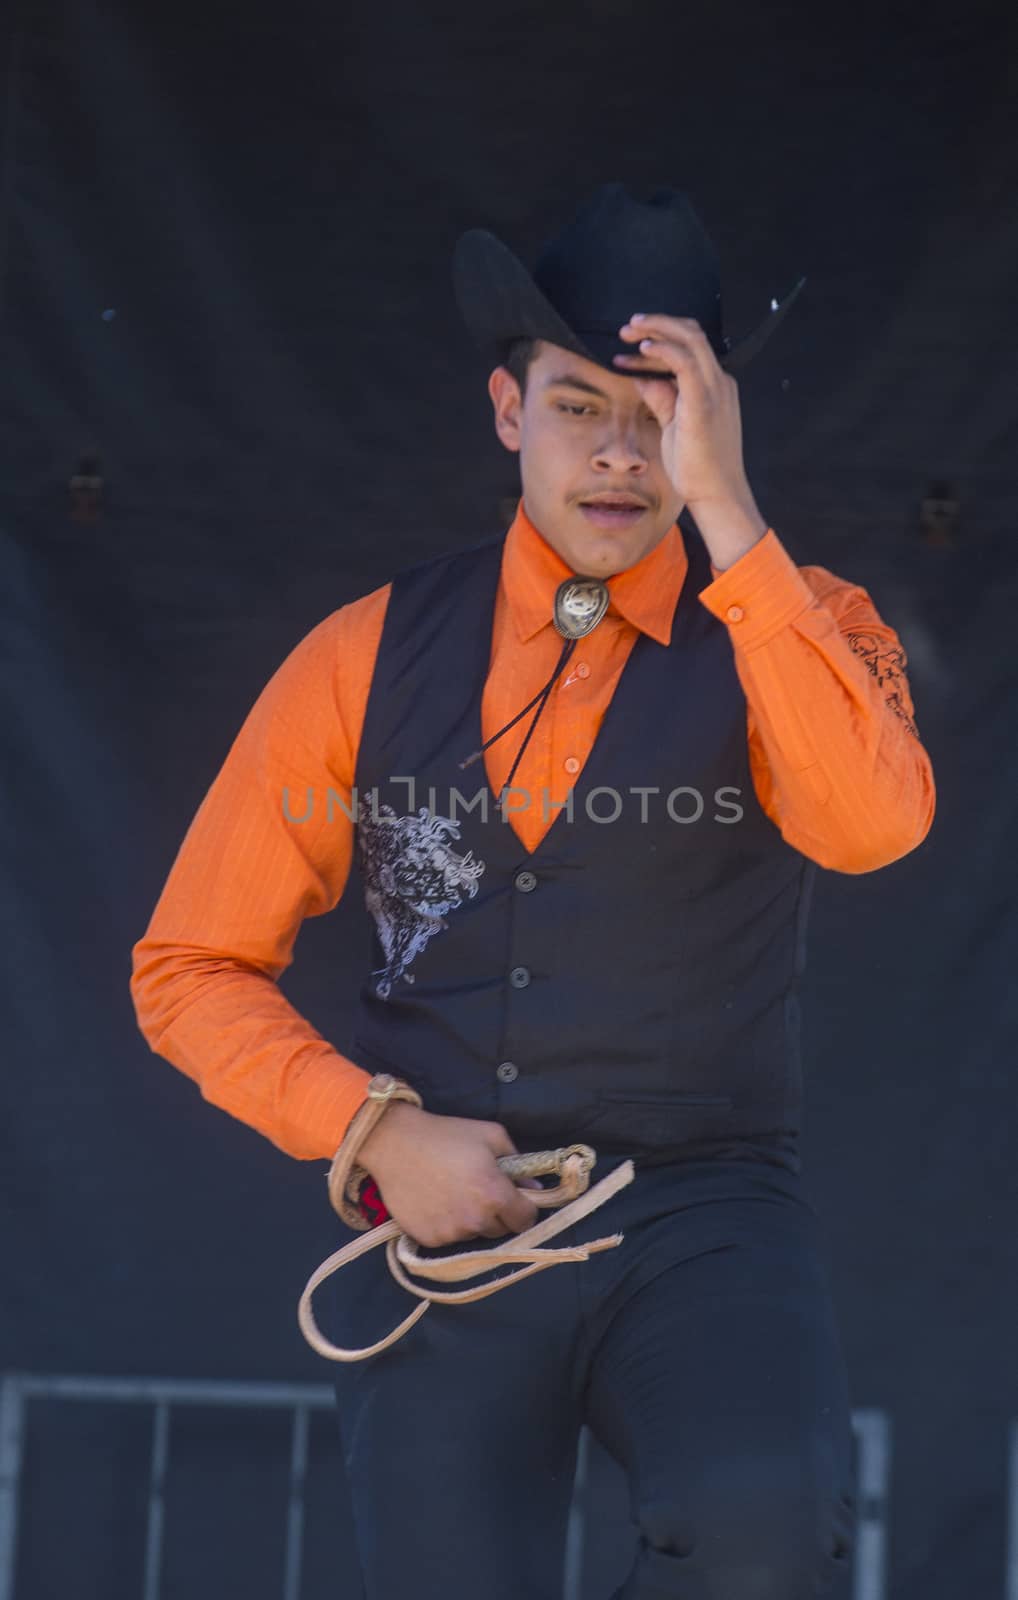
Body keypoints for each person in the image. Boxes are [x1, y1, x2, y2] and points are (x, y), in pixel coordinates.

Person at [130, 182, 936, 1599]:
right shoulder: (358, 654)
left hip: (704, 1209)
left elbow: (870, 828)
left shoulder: (803, 623)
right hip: (440, 1217)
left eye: (661, 412)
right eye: (579, 407)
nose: (621, 457)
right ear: (507, 410)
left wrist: (728, 512)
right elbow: (188, 965)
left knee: (763, 1536)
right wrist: (374, 1132)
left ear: (713, 420)